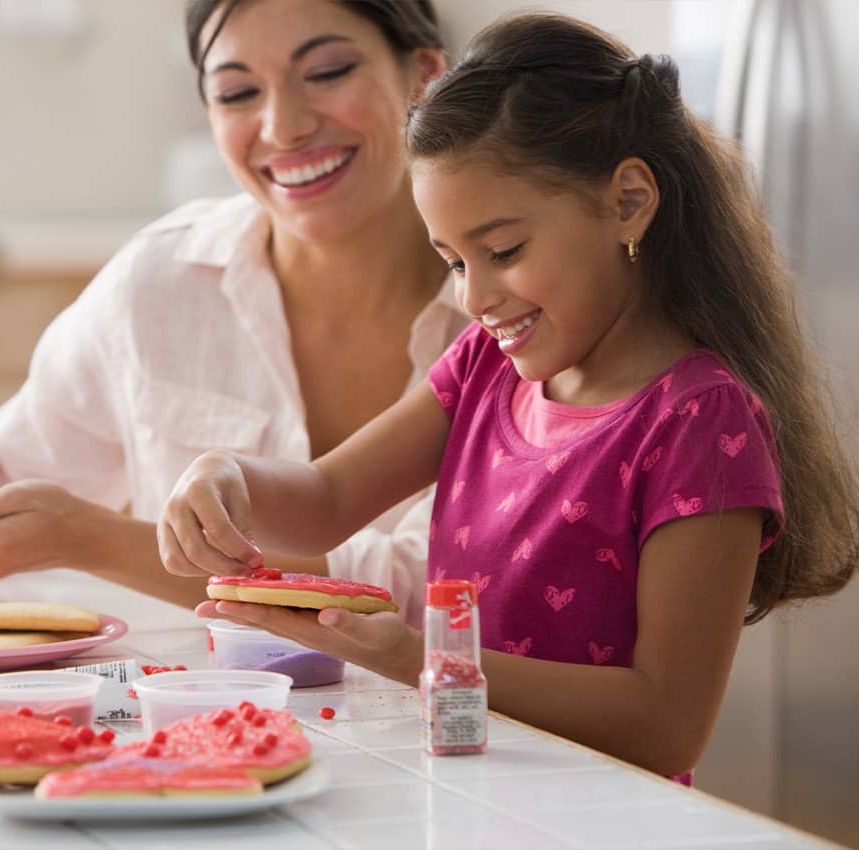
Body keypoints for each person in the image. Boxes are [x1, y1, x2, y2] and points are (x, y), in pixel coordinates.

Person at [157, 12, 859, 779]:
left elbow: (665, 726)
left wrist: (415, 655)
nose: (475, 297)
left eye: (503, 252)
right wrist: (226, 476)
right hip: (469, 796)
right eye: (455, 262)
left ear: (628, 201)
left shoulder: (698, 423)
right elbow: (327, 497)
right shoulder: (487, 368)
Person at [0, 0, 466, 616]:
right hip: (195, 719)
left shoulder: (507, 316)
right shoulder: (160, 283)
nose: (283, 126)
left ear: (424, 76)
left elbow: (414, 589)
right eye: (237, 92)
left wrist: (93, 541)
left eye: (327, 72)